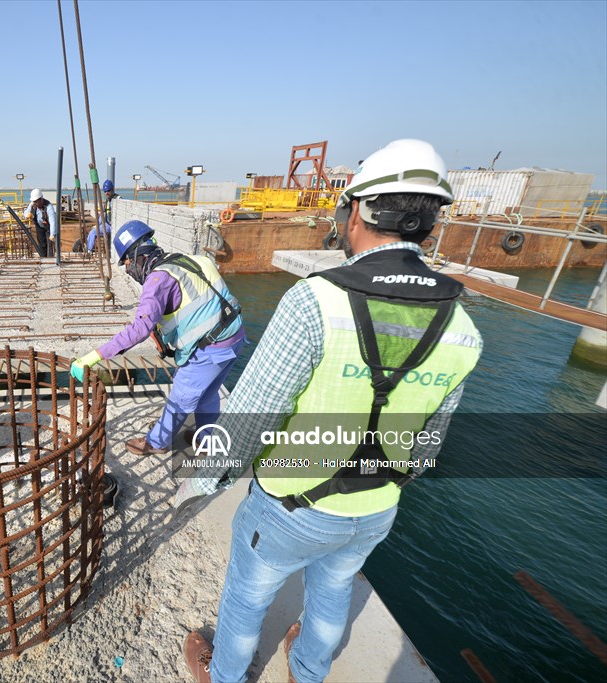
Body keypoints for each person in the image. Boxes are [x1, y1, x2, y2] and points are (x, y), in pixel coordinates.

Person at [177, 140, 483, 683]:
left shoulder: (316, 301)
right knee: (334, 588)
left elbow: (251, 418)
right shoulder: (463, 326)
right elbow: (427, 445)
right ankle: (307, 672)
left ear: (357, 211)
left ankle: (224, 676)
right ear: (430, 222)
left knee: (247, 597)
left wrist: (203, 480)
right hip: (376, 508)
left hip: (291, 505)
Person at [71, 220, 246, 454]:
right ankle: (206, 439)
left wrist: (94, 356)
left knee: (180, 399)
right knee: (208, 394)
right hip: (235, 335)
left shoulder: (157, 281)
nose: (128, 270)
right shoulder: (190, 260)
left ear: (137, 255)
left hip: (210, 349)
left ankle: (156, 442)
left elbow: (139, 329)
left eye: (127, 263)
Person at [23, 188, 58, 257]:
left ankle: (50, 259)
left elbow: (52, 222)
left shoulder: (48, 206)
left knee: (50, 244)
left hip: (49, 227)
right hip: (39, 226)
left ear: (41, 199)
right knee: (42, 244)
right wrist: (27, 214)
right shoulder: (33, 204)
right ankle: (43, 258)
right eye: (34, 201)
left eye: (36, 201)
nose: (35, 203)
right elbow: (26, 213)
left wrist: (52, 234)